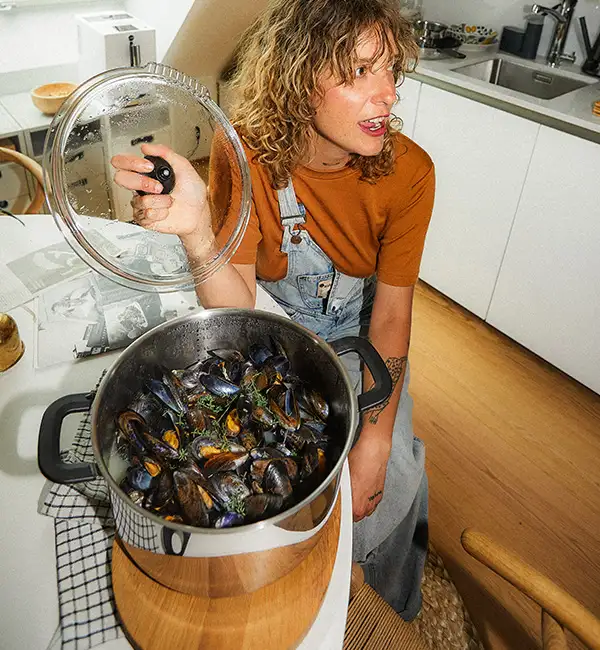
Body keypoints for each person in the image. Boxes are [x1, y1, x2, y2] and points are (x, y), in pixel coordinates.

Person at [111, 0, 434, 619]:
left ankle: (391, 612)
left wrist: (373, 440)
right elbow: (240, 313)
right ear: (298, 78)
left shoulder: (411, 174)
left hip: (361, 340)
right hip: (274, 327)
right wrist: (198, 233)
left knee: (390, 479)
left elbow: (392, 318)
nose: (388, 94)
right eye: (359, 72)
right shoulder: (245, 155)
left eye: (391, 70)